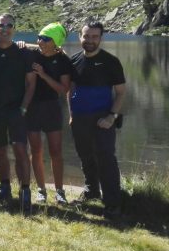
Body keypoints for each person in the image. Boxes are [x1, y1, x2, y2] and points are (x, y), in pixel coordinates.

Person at [0, 13, 36, 213]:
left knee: (20, 150)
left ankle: (25, 190)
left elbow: (31, 84)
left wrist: (24, 108)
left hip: (17, 111)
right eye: (1, 26)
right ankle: (5, 186)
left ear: (14, 29)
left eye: (9, 25)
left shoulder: (24, 53)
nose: (5, 29)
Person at [68, 21, 127, 219]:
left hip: (103, 119)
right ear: (80, 37)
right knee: (85, 156)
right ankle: (92, 191)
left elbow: (120, 93)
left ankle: (113, 204)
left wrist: (111, 117)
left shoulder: (111, 62)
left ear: (101, 38)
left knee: (106, 160)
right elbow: (70, 90)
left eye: (94, 37)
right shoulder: (74, 60)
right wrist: (71, 114)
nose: (90, 40)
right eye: (86, 36)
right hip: (79, 119)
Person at [27, 22, 72, 205]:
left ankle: (60, 191)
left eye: (46, 39)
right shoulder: (34, 53)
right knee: (36, 150)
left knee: (55, 151)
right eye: (39, 37)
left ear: (55, 42)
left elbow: (63, 89)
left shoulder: (63, 61)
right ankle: (41, 189)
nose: (40, 41)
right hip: (32, 108)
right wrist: (23, 43)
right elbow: (15, 44)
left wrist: (44, 75)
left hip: (52, 108)